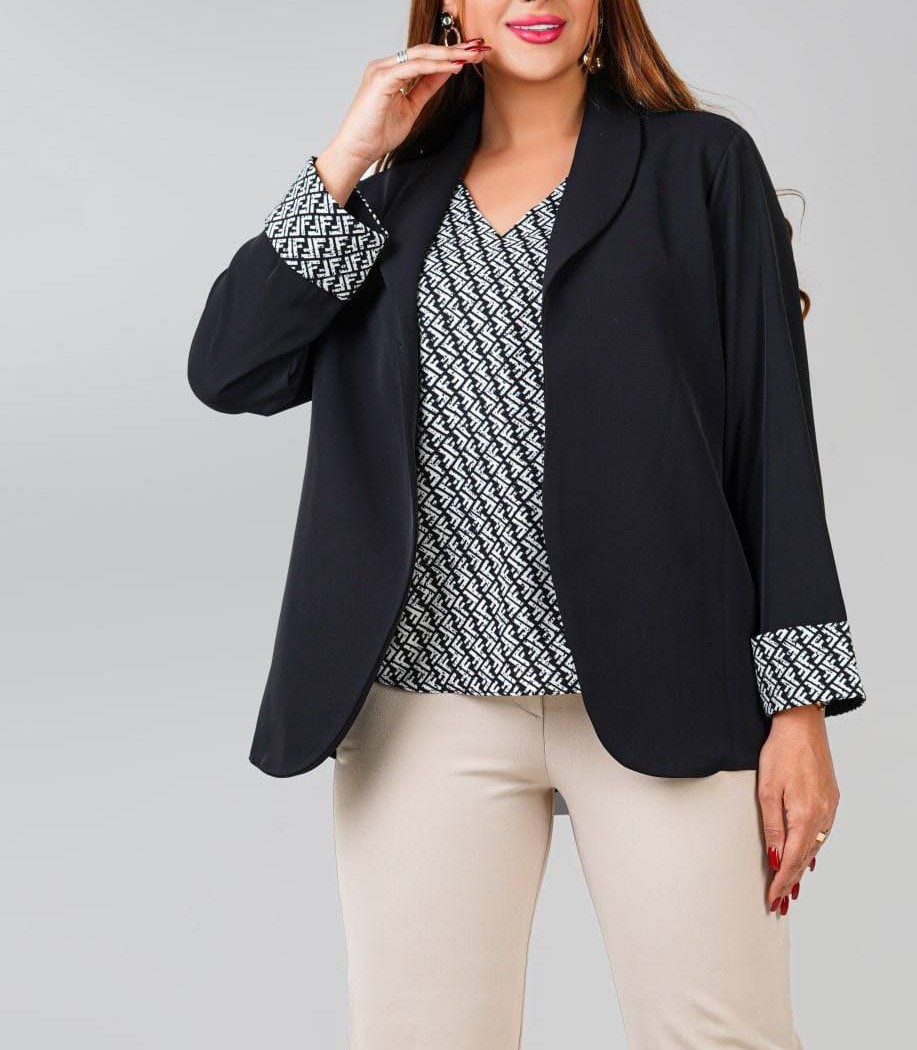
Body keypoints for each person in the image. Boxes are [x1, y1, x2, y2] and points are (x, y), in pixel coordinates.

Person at [187, 2, 868, 1046]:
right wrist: (347, 156)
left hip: (666, 682)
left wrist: (800, 708)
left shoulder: (700, 166)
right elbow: (231, 369)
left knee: (716, 1034)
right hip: (423, 701)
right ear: (450, 6)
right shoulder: (388, 195)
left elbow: (772, 439)